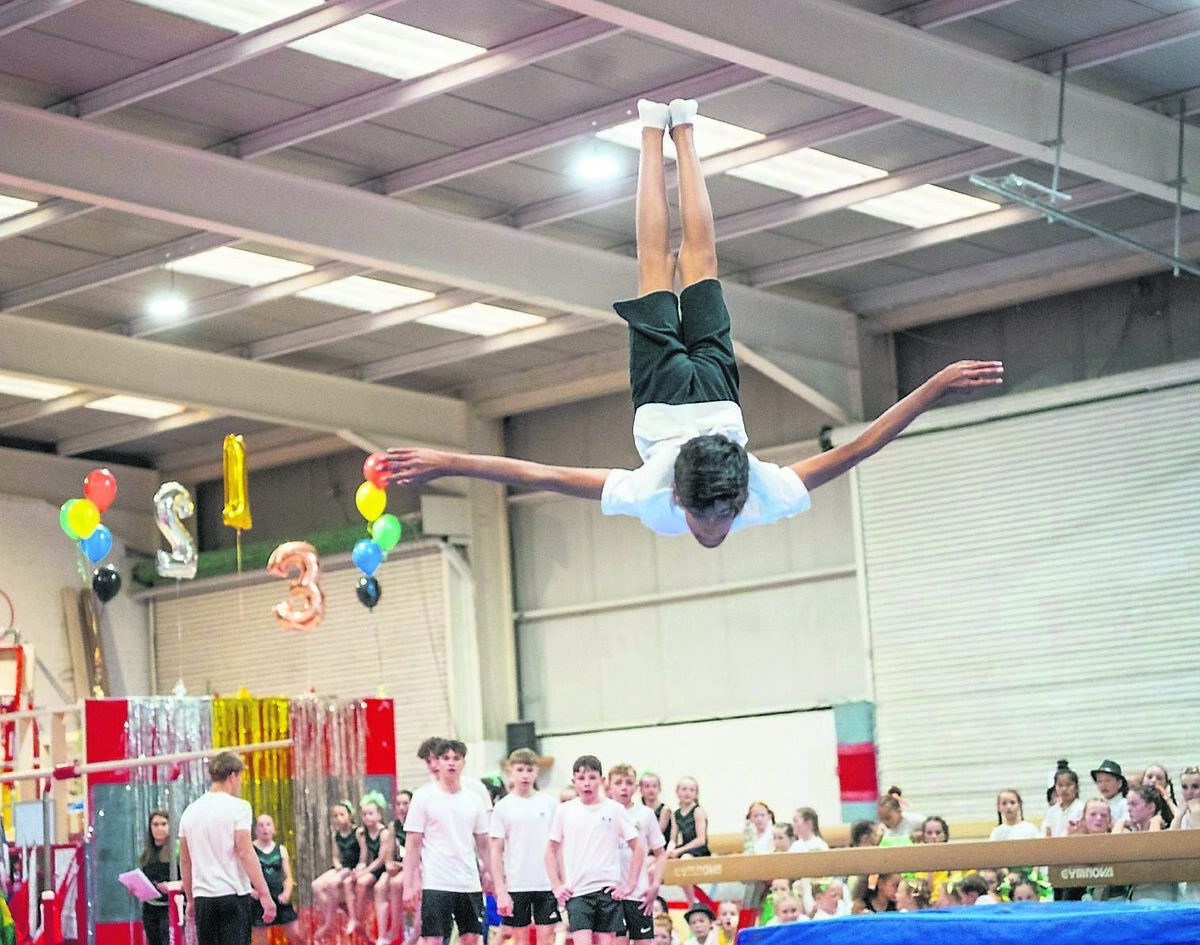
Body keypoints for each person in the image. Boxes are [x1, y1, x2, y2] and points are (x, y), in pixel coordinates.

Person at [381, 100, 1003, 549]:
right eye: (717, 522)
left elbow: (540, 474)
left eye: (715, 521)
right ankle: (675, 130)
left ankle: (665, 129)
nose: (714, 530)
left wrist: (447, 459)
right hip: (673, 399)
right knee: (691, 263)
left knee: (673, 264)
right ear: (688, 498)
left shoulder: (701, 494)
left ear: (685, 497)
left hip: (701, 398)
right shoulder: (729, 495)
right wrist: (934, 387)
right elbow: (860, 446)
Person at [545, 755, 644, 945]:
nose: (587, 784)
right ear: (574, 782)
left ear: (601, 780)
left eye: (592, 778)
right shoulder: (564, 811)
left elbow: (638, 847)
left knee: (607, 941)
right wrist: (556, 885)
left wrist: (629, 885)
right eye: (581, 779)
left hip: (607, 890)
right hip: (577, 892)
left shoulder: (614, 809)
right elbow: (550, 850)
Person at [179, 751, 275, 944]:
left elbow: (185, 861)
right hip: (232, 894)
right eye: (240, 777)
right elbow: (245, 851)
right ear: (232, 776)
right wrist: (264, 893)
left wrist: (190, 898)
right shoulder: (239, 807)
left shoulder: (190, 811)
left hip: (203, 898)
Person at [402, 739, 491, 945]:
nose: (451, 763)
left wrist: (493, 873)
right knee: (433, 939)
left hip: (468, 881)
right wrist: (409, 884)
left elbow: (484, 843)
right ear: (437, 763)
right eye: (446, 758)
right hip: (436, 881)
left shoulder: (474, 798)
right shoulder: (423, 796)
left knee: (471, 938)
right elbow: (413, 844)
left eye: (456, 758)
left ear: (463, 763)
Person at [489, 749, 561, 945]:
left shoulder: (549, 804)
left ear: (536, 771)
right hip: (516, 884)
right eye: (520, 769)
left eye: (529, 770)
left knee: (546, 939)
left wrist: (561, 882)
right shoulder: (503, 807)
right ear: (511, 771)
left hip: (546, 884)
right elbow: (495, 851)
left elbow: (557, 847)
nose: (525, 775)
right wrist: (501, 890)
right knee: (520, 940)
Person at [608, 763, 667, 945]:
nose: (624, 787)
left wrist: (655, 884)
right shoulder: (603, 813)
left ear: (636, 787)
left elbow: (660, 853)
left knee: (643, 941)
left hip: (639, 894)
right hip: (613, 893)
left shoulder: (645, 814)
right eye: (618, 783)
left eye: (629, 782)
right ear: (609, 786)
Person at [346, 793, 393, 937]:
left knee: (361, 882)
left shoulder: (384, 833)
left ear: (379, 815)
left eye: (370, 814)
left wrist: (364, 872)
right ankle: (353, 918)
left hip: (382, 867)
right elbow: (364, 855)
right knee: (348, 881)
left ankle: (359, 918)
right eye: (364, 814)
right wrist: (359, 868)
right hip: (370, 866)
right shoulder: (363, 833)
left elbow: (381, 859)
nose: (367, 817)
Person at [250, 814, 301, 945]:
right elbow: (242, 877)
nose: (264, 828)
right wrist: (251, 891)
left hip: (280, 898)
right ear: (256, 830)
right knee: (261, 941)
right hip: (259, 900)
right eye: (261, 825)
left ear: (274, 829)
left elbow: (288, 877)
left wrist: (287, 893)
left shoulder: (281, 849)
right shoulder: (250, 850)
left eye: (268, 824)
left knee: (297, 935)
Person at [312, 801, 359, 940]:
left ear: (350, 815)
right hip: (342, 866)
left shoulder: (358, 832)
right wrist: (337, 864)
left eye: (342, 814)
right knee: (315, 885)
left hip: (353, 867)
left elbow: (364, 853)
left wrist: (358, 869)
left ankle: (329, 923)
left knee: (332, 884)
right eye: (335, 815)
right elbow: (335, 856)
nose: (338, 818)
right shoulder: (336, 835)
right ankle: (330, 916)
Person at [667, 776, 708, 905]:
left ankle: (692, 903)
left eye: (691, 790)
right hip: (683, 850)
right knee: (666, 862)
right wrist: (669, 851)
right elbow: (672, 839)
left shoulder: (698, 811)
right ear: (677, 792)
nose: (687, 793)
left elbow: (701, 840)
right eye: (684, 789)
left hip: (698, 850)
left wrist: (679, 850)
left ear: (696, 794)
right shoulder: (676, 814)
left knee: (683, 862)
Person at [137, 810, 174, 945]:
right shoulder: (146, 853)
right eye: (155, 824)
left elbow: (188, 878)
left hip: (169, 907)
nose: (159, 828)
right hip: (150, 908)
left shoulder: (177, 849)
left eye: (163, 824)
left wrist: (171, 886)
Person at [1042, 760, 1084, 838]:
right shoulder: (1051, 811)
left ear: (1076, 787)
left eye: (1068, 785)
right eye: (1060, 785)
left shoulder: (1082, 808)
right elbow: (1047, 835)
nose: (1064, 789)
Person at [1090, 759, 1129, 825]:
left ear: (1119, 783)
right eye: (1099, 781)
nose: (1103, 785)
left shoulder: (1125, 804)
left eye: (1107, 780)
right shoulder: (1096, 805)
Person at [638, 773, 673, 849]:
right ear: (640, 790)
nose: (651, 790)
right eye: (647, 786)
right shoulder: (639, 810)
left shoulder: (665, 810)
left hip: (660, 849)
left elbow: (657, 834)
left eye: (654, 786)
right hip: (644, 847)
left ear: (659, 789)